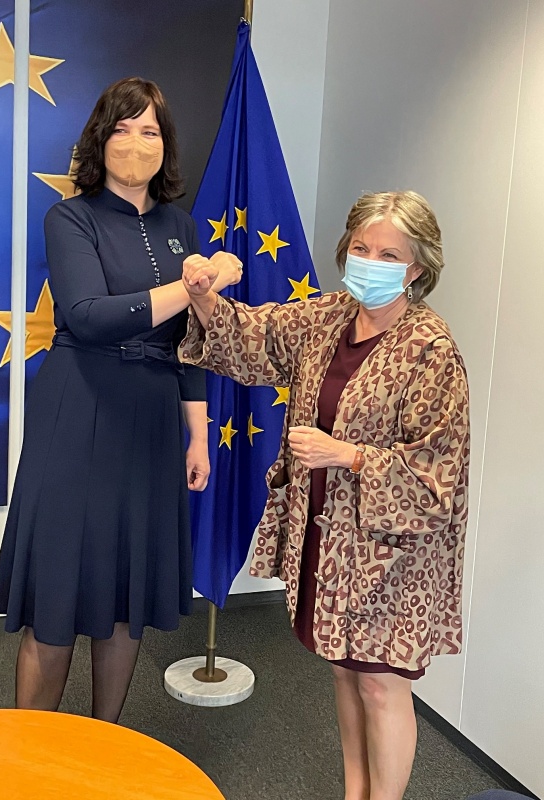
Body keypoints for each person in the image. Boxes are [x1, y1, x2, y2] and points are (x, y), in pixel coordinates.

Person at [179, 190, 470, 800]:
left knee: (381, 686)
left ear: (417, 267)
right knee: (342, 669)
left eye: (389, 254)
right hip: (329, 538)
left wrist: (350, 455)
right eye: (361, 247)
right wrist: (204, 296)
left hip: (394, 556)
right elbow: (253, 337)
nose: (370, 262)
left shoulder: (431, 349)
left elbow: (439, 472)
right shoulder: (329, 316)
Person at [0, 77, 241, 723]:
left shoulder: (181, 226)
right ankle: (31, 752)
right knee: (55, 597)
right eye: (122, 128)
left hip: (152, 420)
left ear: (166, 145)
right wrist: (198, 283)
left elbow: (189, 343)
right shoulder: (70, 217)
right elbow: (88, 315)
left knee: (127, 598)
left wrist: (198, 436)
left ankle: (107, 746)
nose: (135, 142)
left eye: (149, 130)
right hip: (79, 408)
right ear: (100, 140)